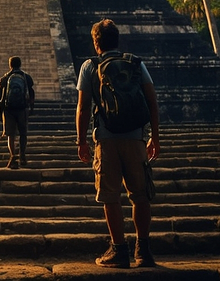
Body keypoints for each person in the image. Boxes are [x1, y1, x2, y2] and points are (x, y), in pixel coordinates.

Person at [76, 19, 160, 269]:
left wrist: (81, 141)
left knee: (110, 196)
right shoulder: (135, 63)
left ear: (96, 42)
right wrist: (154, 137)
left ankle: (119, 250)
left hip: (106, 138)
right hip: (136, 137)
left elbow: (83, 108)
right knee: (140, 195)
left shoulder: (90, 66)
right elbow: (151, 101)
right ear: (117, 39)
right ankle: (143, 251)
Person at [0, 56, 35, 169]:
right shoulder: (26, 77)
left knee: (11, 134)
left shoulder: (5, 78)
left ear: (10, 65)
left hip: (9, 109)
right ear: (20, 64)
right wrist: (31, 107)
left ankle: (13, 156)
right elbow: (31, 93)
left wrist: (0, 108)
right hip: (22, 108)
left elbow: (1, 92)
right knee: (23, 133)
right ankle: (22, 155)